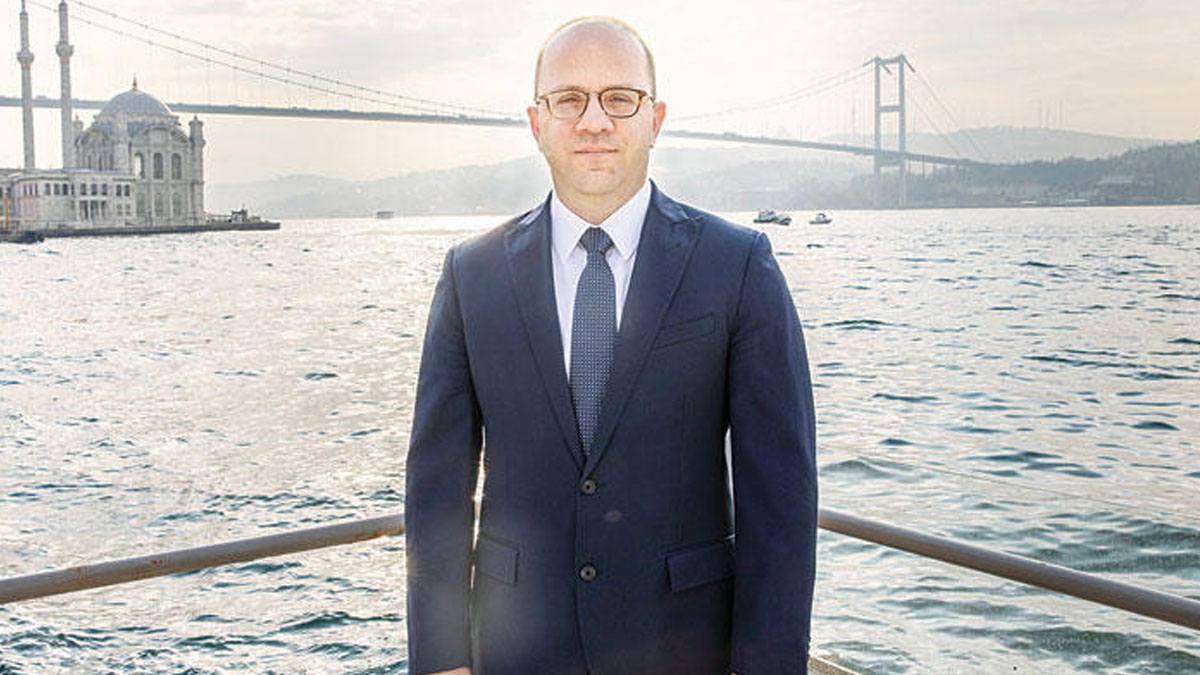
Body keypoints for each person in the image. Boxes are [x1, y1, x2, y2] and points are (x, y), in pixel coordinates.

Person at [405, 16, 817, 675]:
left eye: (619, 98)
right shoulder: (470, 275)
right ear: (536, 124)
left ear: (655, 120)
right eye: (568, 99)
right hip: (515, 653)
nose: (594, 121)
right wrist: (442, 661)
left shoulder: (738, 265)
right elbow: (436, 493)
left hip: (684, 651)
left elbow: (781, 501)